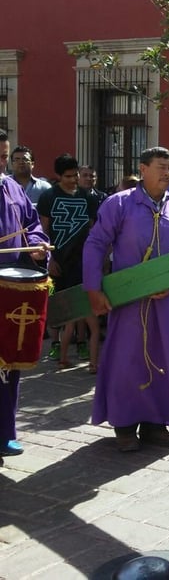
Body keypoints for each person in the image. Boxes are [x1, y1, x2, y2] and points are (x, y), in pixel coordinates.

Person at [83, 146, 169, 452]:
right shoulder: (119, 204)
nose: (168, 173)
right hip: (130, 302)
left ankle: (156, 424)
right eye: (161, 166)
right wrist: (94, 289)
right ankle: (124, 425)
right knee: (127, 361)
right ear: (143, 169)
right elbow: (96, 244)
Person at [0, 174, 49, 457]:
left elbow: (31, 224)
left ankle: (4, 433)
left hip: (9, 289)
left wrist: (36, 245)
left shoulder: (12, 187)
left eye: (3, 156)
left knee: (8, 363)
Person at [37, 153, 101, 371]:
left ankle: (82, 344)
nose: (74, 180)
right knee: (57, 304)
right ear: (58, 176)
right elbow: (43, 231)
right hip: (57, 261)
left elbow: (93, 231)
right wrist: (49, 259)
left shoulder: (88, 198)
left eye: (75, 175)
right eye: (68, 176)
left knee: (80, 307)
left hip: (81, 261)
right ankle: (56, 345)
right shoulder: (48, 197)